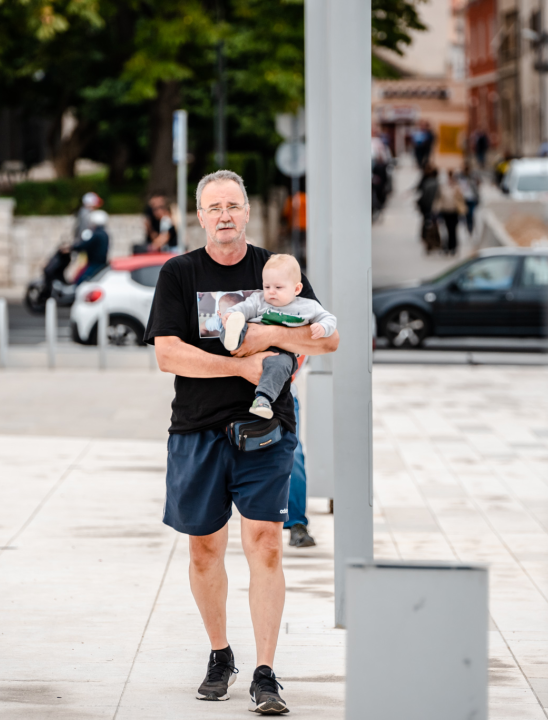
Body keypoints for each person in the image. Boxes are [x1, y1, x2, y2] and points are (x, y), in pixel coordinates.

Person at [145, 169, 339, 714]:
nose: (224, 215)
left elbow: (329, 337)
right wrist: (243, 369)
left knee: (267, 544)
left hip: (267, 431)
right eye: (214, 207)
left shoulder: (274, 270)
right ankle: (220, 653)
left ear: (248, 212)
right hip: (197, 430)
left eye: (233, 205)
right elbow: (167, 354)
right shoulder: (179, 274)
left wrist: (269, 337)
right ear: (200, 216)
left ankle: (265, 671)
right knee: (205, 548)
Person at [219, 253, 336, 420]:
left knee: (281, 365)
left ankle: (262, 400)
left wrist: (323, 327)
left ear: (296, 289)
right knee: (238, 323)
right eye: (267, 287)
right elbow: (243, 308)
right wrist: (230, 314)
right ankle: (231, 338)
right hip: (248, 343)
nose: (271, 292)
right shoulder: (259, 300)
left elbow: (330, 318)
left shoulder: (307, 306)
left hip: (281, 351)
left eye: (278, 288)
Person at [285, 388, 315, 547]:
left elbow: (300, 361)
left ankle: (297, 524)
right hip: (228, 396)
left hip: (281, 395)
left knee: (293, 454)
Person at [71, 210, 109, 283]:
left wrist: (73, 247)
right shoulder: (103, 233)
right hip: (99, 262)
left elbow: (85, 245)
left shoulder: (97, 234)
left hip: (94, 263)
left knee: (80, 280)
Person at [435, 171, 466, 255]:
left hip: (454, 212)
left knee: (453, 230)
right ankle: (447, 246)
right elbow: (439, 199)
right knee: (446, 230)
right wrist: (436, 209)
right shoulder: (443, 187)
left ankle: (453, 247)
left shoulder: (457, 188)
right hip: (445, 211)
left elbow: (461, 199)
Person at [416, 164, 441, 253]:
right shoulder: (435, 184)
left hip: (427, 207)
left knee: (427, 224)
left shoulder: (428, 183)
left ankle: (429, 240)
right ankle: (431, 241)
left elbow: (423, 196)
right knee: (431, 225)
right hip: (431, 208)